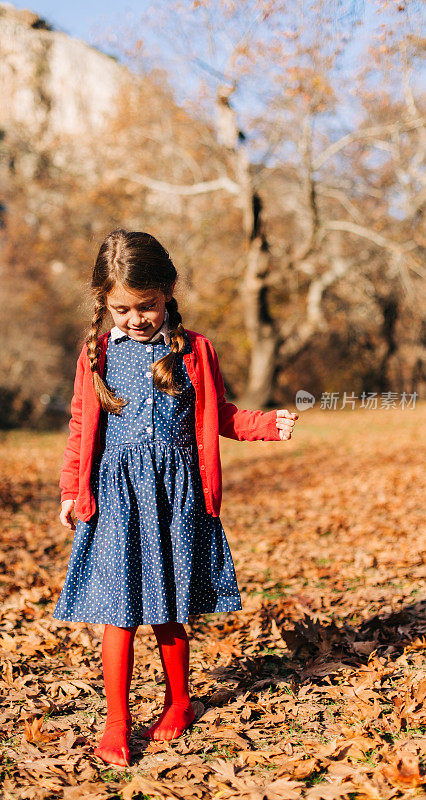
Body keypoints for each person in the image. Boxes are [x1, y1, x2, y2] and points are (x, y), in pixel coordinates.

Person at [52, 228, 298, 767]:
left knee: (167, 606)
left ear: (168, 293)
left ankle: (179, 702)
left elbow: (221, 414)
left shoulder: (193, 350)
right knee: (116, 612)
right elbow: (79, 426)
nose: (136, 318)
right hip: (116, 496)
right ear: (103, 303)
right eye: (122, 309)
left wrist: (266, 425)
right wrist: (73, 488)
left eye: (148, 306)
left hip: (175, 495)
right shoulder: (95, 354)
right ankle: (117, 723)